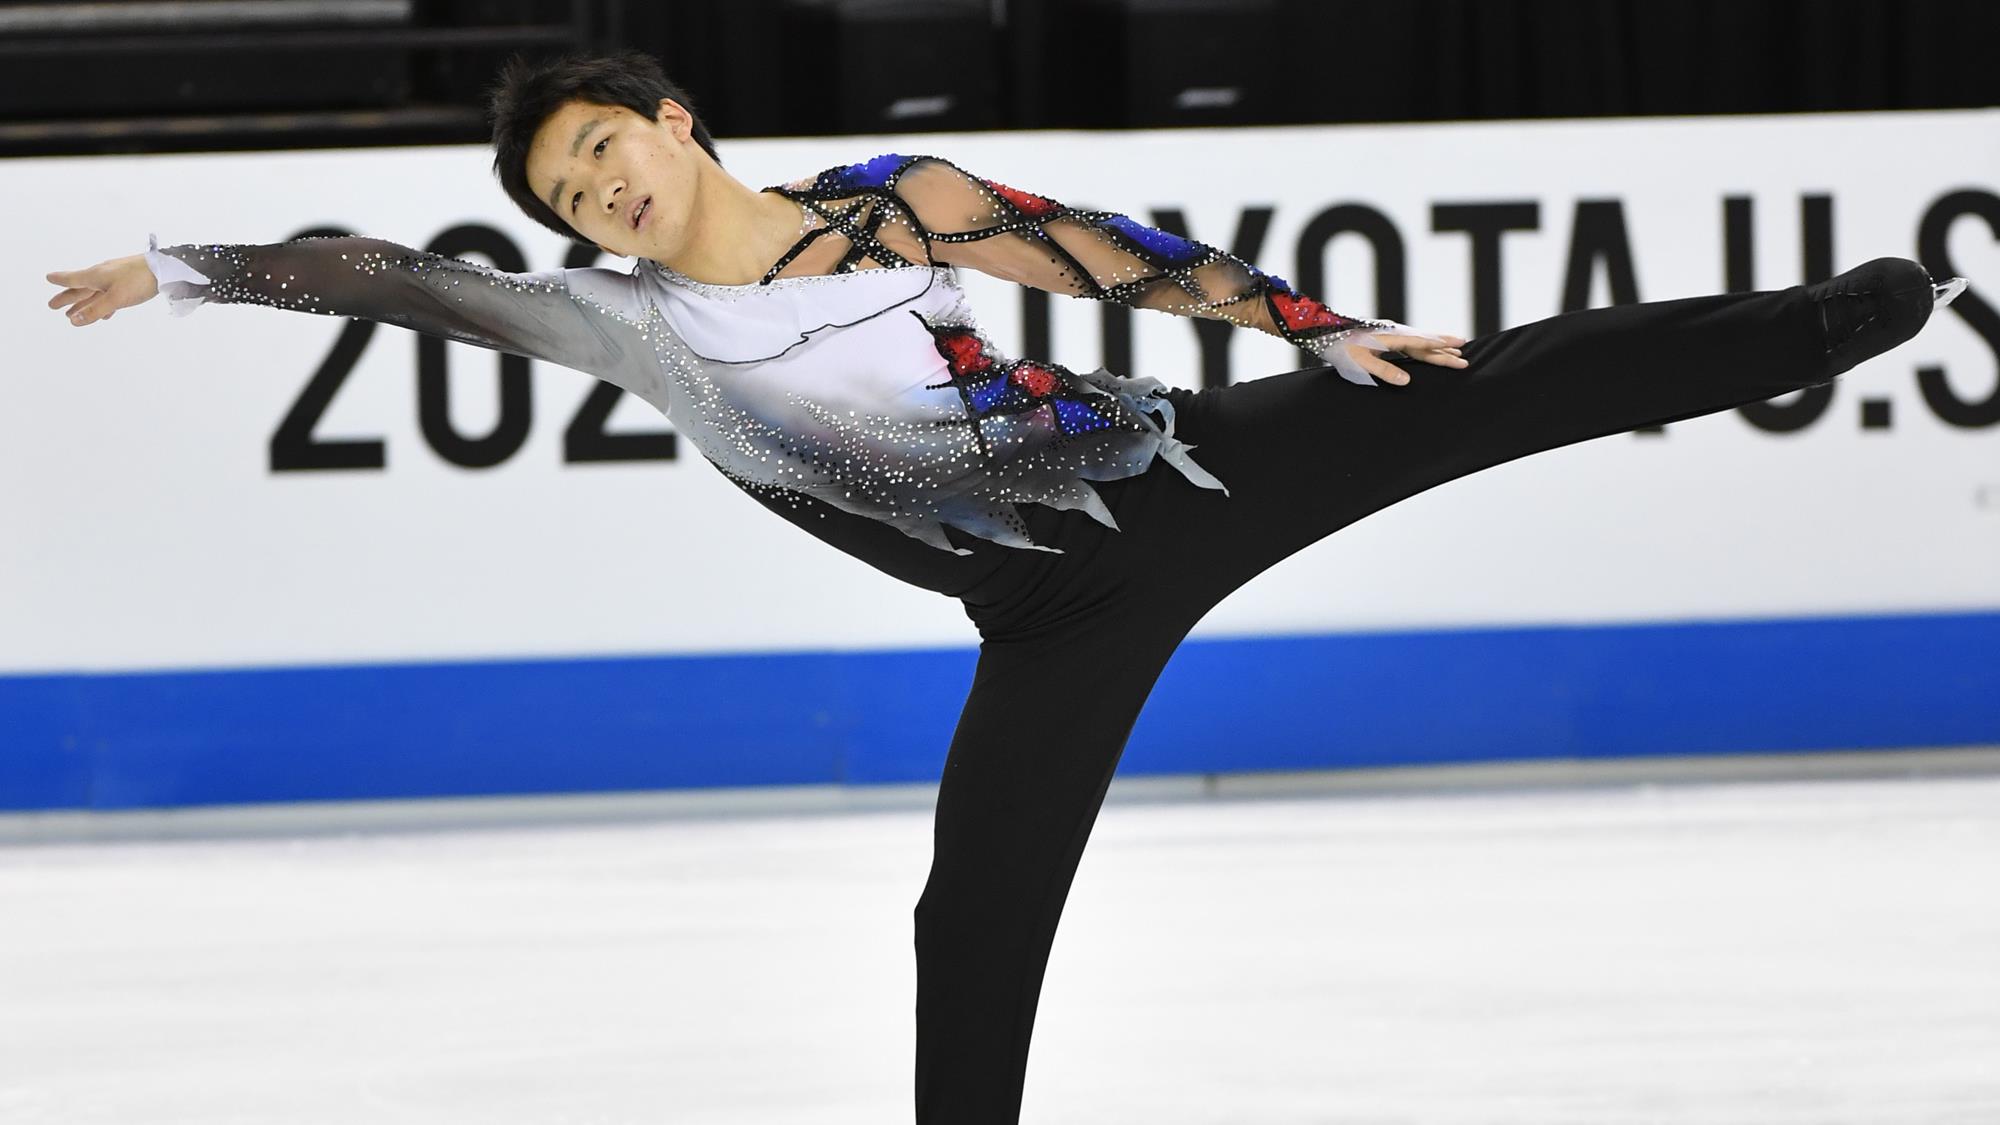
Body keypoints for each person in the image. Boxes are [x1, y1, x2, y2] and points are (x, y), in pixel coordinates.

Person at [44, 47, 1968, 1125]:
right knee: (972, 914)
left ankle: (1838, 314)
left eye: (603, 151)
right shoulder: (627, 329)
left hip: (1183, 475)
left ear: (673, 117)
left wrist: (1311, 323)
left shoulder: (901, 198)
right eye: (564, 191)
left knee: (1496, 383)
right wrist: (189, 266)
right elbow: (385, 271)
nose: (595, 196)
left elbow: (1112, 254)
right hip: (1042, 621)